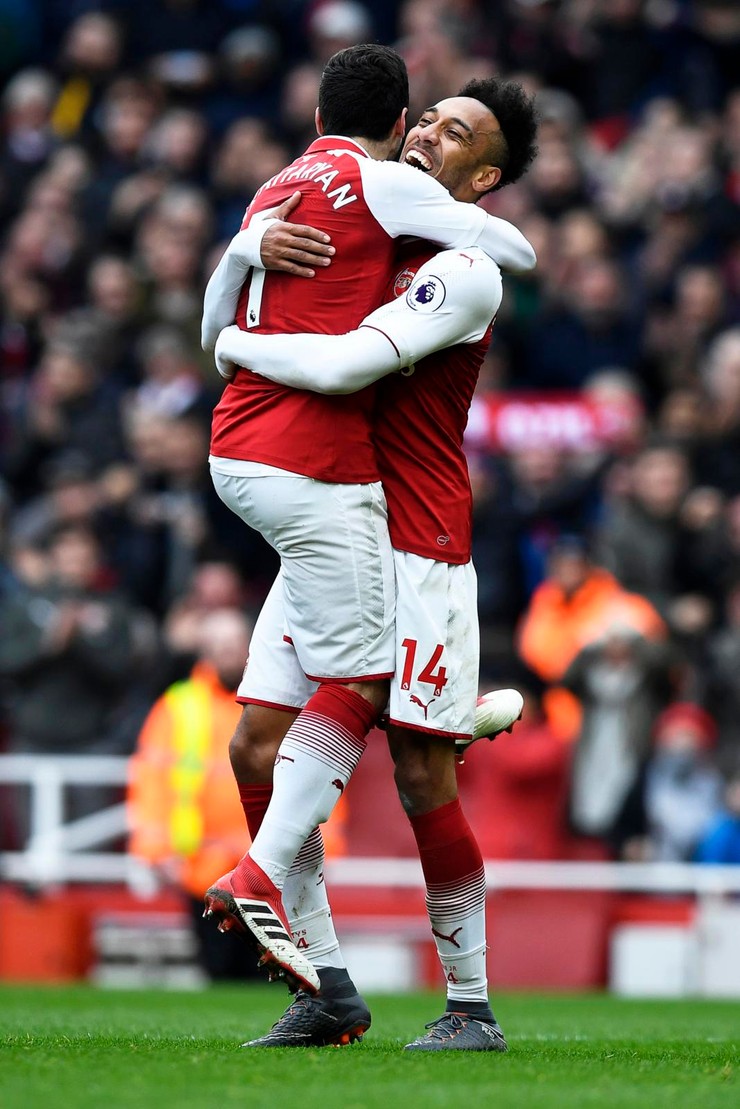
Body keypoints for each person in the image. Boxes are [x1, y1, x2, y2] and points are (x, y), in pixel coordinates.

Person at [200, 42, 535, 1010]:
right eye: (427, 117)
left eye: (456, 134)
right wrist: (246, 249)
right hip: (337, 508)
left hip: (416, 534)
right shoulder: (372, 230)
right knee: (253, 744)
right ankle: (322, 982)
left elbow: (346, 363)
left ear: (483, 179)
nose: (428, 133)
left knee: (422, 773)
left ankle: (468, 1002)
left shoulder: (463, 268)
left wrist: (235, 344)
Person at [127, 607, 348, 981]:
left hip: (269, 868)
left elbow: (318, 776)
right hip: (202, 869)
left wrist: (329, 849)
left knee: (272, 976)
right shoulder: (178, 707)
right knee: (218, 973)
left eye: (232, 644)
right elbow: (151, 782)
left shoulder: (283, 704)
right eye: (218, 644)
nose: (226, 652)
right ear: (203, 650)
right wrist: (155, 851)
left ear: (249, 645)